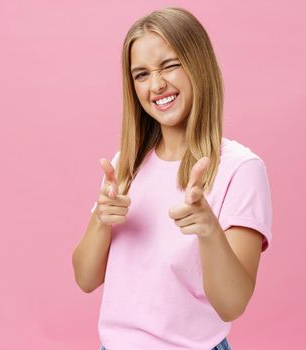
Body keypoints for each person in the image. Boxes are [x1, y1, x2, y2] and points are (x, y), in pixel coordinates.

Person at [72, 6, 273, 350]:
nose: (157, 85)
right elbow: (86, 279)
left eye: (170, 65)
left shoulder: (241, 169)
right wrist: (100, 221)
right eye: (141, 74)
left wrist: (209, 230)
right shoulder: (127, 165)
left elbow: (233, 303)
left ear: (199, 64)